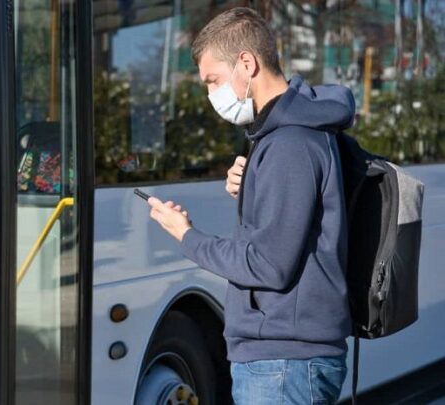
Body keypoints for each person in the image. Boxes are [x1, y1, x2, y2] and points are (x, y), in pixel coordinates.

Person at [148, 7, 354, 404]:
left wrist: (186, 236)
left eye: (214, 80)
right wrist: (253, 192)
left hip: (283, 363)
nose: (212, 95)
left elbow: (268, 264)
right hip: (284, 359)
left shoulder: (290, 144)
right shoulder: (284, 137)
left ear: (247, 62)